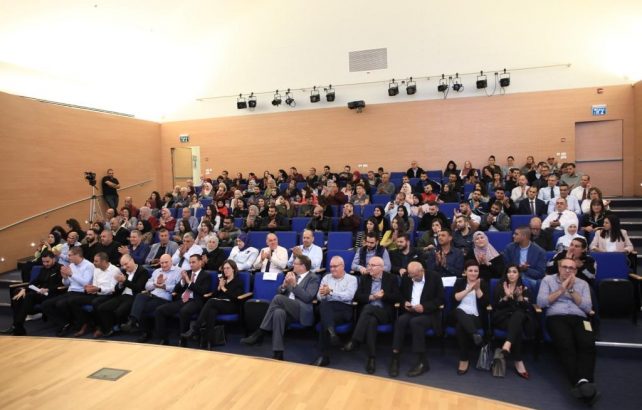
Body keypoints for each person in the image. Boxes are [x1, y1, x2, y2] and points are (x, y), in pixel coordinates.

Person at [537, 258, 599, 405]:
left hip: (580, 318)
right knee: (566, 345)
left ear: (575, 271)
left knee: (588, 344)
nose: (567, 270)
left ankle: (582, 382)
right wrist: (561, 289)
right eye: (565, 267)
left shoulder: (582, 284)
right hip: (556, 317)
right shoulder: (547, 280)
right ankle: (583, 382)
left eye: (571, 268)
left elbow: (587, 307)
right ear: (559, 268)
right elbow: (541, 302)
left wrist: (571, 290)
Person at [241, 255, 320, 360]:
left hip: (301, 310)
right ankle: (278, 352)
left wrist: (294, 285)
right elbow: (279, 291)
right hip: (287, 308)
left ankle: (261, 332)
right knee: (278, 312)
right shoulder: (293, 275)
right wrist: (284, 286)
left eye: (295, 264)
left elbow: (308, 298)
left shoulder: (313, 278)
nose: (293, 265)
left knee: (278, 298)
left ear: (303, 266)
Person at [342, 256, 401, 374]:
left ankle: (355, 340)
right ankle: (371, 357)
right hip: (368, 315)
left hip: (384, 312)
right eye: (368, 265)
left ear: (381, 268)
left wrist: (383, 296)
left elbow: (397, 297)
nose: (369, 267)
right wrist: (371, 297)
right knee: (371, 321)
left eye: (372, 265)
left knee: (368, 308)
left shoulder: (391, 278)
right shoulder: (365, 278)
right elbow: (357, 296)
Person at [389, 261, 444, 378]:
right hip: (411, 310)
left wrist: (424, 307)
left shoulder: (434, 277)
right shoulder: (407, 277)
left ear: (421, 271)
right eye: (410, 275)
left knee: (416, 322)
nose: (411, 278)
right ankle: (395, 357)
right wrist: (404, 303)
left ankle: (422, 362)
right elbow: (399, 295)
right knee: (400, 321)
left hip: (428, 313)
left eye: (414, 275)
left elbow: (440, 299)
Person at [181, 260, 245, 347]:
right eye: (224, 268)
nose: (225, 270)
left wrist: (223, 288)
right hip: (219, 304)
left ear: (233, 269)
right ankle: (209, 342)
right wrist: (218, 288)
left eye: (228, 268)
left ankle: (195, 328)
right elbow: (214, 295)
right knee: (212, 311)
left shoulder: (238, 281)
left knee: (211, 302)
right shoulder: (223, 280)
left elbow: (235, 297)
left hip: (232, 305)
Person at [154, 254, 212, 346]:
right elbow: (176, 289)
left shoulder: (206, 275)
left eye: (193, 262)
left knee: (184, 311)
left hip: (195, 301)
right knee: (159, 310)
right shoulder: (186, 273)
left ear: (200, 262)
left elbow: (203, 291)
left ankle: (183, 340)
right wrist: (182, 282)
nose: (191, 264)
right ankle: (163, 339)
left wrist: (189, 282)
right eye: (190, 262)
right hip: (183, 299)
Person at [1, 251, 63, 336]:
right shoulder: (44, 268)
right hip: (40, 293)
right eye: (43, 262)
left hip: (52, 294)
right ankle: (17, 327)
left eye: (47, 261)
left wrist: (48, 289)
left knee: (30, 296)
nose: (45, 264)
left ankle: (17, 325)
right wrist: (24, 289)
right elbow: (35, 281)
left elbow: (61, 285)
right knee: (18, 296)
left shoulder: (60, 268)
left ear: (54, 259)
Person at [312, 256, 358, 367]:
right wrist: (323, 294)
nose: (332, 269)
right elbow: (319, 296)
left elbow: (349, 296)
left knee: (325, 320)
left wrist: (331, 292)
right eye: (331, 266)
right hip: (327, 307)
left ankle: (323, 356)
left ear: (342, 266)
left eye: (335, 266)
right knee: (324, 306)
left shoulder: (352, 279)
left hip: (344, 309)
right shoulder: (326, 278)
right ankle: (332, 334)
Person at [492, 265, 537, 379]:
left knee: (519, 314)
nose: (511, 274)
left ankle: (507, 344)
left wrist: (520, 297)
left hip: (519, 317)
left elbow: (527, 307)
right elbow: (496, 306)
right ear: (506, 274)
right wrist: (506, 297)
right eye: (509, 272)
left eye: (514, 272)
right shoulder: (501, 286)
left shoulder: (524, 288)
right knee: (517, 327)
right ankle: (518, 361)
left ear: (519, 274)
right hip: (503, 317)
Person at [41, 247, 94, 336]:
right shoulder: (71, 265)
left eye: (70, 255)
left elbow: (86, 283)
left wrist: (71, 274)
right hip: (71, 291)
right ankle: (64, 323)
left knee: (61, 303)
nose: (68, 257)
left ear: (77, 255)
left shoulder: (88, 265)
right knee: (46, 304)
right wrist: (65, 278)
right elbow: (67, 284)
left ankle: (78, 324)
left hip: (83, 292)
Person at [95, 254, 149, 338]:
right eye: (122, 265)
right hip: (122, 296)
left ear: (132, 260)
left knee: (119, 311)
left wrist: (125, 281)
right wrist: (120, 284)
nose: (124, 267)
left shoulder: (142, 271)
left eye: (126, 264)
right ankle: (109, 329)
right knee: (102, 308)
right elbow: (116, 289)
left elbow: (139, 288)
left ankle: (122, 326)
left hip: (133, 297)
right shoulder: (123, 271)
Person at [67, 252, 120, 337]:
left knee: (96, 302)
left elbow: (113, 289)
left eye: (96, 261)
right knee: (73, 301)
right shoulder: (96, 269)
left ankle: (101, 327)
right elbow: (95, 284)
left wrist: (98, 289)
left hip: (109, 295)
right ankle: (86, 323)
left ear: (104, 261)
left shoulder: (115, 270)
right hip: (97, 293)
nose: (94, 263)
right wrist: (90, 288)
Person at [451, 261, 489, 375]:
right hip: (459, 314)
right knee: (458, 311)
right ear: (465, 272)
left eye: (476, 271)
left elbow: (485, 304)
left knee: (460, 327)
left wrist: (477, 289)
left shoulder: (482, 283)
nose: (473, 273)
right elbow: (455, 298)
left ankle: (464, 360)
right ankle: (475, 335)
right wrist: (469, 289)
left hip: (475, 317)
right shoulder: (459, 282)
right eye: (470, 270)